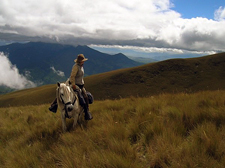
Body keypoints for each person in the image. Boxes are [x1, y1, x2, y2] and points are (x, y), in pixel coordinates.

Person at [49, 54, 93, 120]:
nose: (83, 62)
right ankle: (54, 106)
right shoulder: (76, 67)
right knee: (65, 94)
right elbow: (72, 76)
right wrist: (73, 85)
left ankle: (86, 112)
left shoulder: (81, 66)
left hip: (80, 85)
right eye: (82, 61)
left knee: (86, 97)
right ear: (79, 61)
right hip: (75, 84)